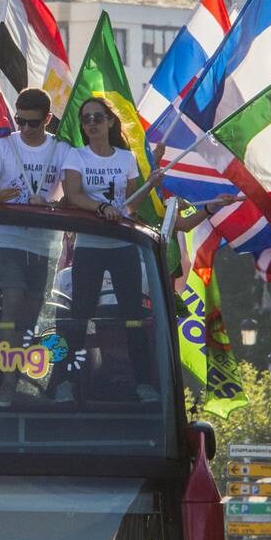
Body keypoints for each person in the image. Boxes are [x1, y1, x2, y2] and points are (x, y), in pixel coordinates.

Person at [56, 97, 159, 405]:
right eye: (86, 119)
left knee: (133, 317)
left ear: (110, 122)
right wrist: (101, 207)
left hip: (123, 246)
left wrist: (149, 185)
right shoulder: (76, 156)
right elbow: (73, 196)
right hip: (89, 245)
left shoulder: (127, 159)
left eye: (98, 118)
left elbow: (128, 207)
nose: (91, 123)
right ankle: (64, 382)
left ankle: (143, 383)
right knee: (79, 317)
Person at [0, 88, 69, 407]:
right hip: (9, 236)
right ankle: (8, 381)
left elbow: (73, 193)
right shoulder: (3, 146)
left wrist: (53, 205)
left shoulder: (60, 149)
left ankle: (18, 370)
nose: (25, 129)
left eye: (32, 123)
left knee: (29, 315)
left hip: (44, 240)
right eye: (20, 121)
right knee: (11, 302)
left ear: (47, 120)